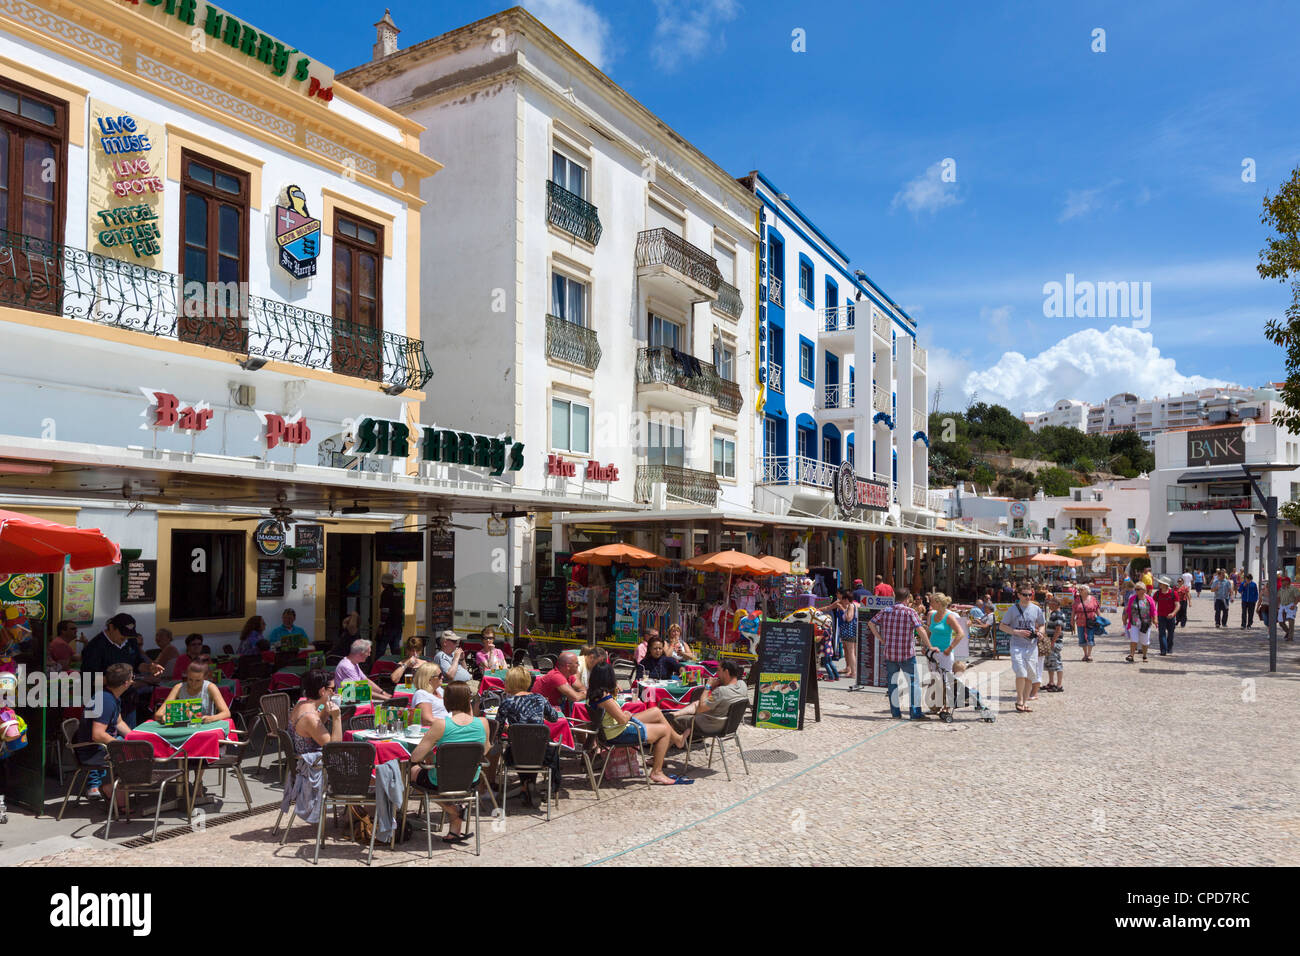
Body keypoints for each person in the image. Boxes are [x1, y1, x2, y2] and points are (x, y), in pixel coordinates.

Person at [585, 661, 689, 786]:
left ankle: (678, 740)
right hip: (617, 732)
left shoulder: (593, 694)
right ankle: (657, 771)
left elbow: (614, 715)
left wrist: (624, 713)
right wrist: (627, 714)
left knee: (656, 712)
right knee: (664, 730)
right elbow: (623, 720)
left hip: (611, 729)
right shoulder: (605, 697)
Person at [410, 682, 490, 841]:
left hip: (440, 780)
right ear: (469, 700)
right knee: (454, 776)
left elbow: (415, 757)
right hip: (470, 779)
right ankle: (454, 831)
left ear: (446, 701)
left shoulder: (441, 724)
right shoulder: (483, 723)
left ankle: (452, 809)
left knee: (410, 771)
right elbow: (485, 751)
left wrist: (433, 755)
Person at [487, 666, 563, 803]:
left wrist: (509, 730)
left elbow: (497, 730)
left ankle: (526, 785)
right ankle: (529, 785)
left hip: (517, 754)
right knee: (536, 747)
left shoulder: (507, 703)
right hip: (542, 754)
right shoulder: (540, 699)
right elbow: (554, 718)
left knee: (517, 747)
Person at [80, 613, 163, 726]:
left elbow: (138, 663)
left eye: (128, 635)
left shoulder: (130, 641)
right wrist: (119, 680)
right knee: (106, 737)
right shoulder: (94, 647)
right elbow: (89, 679)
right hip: (103, 702)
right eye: (122, 634)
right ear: (111, 628)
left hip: (128, 700)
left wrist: (149, 668)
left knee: (127, 735)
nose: (125, 638)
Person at [866, 588, 932, 720]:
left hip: (890, 653)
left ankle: (895, 713)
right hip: (906, 653)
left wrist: (880, 638)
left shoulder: (886, 610)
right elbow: (920, 629)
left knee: (892, 684)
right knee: (913, 684)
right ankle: (915, 713)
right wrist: (929, 646)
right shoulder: (910, 612)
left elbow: (871, 623)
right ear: (907, 598)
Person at [75, 662, 134, 800]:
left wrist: (134, 738)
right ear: (126, 683)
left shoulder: (110, 696)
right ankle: (111, 788)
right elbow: (98, 735)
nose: (133, 681)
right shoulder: (105, 701)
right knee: (137, 754)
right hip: (93, 751)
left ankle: (116, 789)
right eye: (132, 678)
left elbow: (119, 722)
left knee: (139, 748)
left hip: (100, 747)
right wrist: (124, 746)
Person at [669, 657, 748, 735]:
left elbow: (701, 708)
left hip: (710, 725)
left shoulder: (721, 691)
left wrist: (708, 686)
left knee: (675, 720)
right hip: (729, 725)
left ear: (726, 672)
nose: (717, 673)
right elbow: (720, 700)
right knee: (697, 703)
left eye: (718, 670)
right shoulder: (742, 684)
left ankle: (676, 740)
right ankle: (675, 714)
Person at [999, 585, 1045, 713]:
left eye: (1030, 595)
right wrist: (1016, 632)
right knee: (1020, 672)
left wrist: (1040, 632)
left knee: (1030, 675)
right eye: (1025, 594)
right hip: (1017, 645)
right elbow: (1002, 626)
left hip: (1031, 646)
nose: (1028, 597)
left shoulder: (1036, 609)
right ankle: (1019, 699)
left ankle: (1025, 702)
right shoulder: (1013, 610)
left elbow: (1042, 624)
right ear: (1018, 595)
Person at [925, 592, 967, 722]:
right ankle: (937, 705)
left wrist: (950, 648)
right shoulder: (931, 615)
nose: (930, 604)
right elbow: (928, 631)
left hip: (944, 653)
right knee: (935, 680)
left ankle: (948, 706)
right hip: (932, 653)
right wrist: (925, 645)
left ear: (938, 603)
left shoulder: (949, 617)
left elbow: (960, 633)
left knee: (946, 680)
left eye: (932, 602)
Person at [287, 668, 344, 755]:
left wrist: (327, 708)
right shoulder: (309, 717)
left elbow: (319, 714)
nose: (334, 692)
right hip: (314, 763)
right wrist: (337, 717)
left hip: (306, 757)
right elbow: (334, 749)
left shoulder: (301, 704)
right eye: (333, 688)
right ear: (322, 691)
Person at [154, 660, 232, 723]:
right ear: (186, 676)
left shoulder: (210, 687)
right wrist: (164, 717)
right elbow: (158, 714)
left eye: (198, 680)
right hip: (182, 728)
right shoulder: (179, 687)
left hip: (203, 728)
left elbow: (226, 713)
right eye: (190, 679)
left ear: (205, 678)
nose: (193, 684)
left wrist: (212, 718)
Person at [819, 590, 858, 686]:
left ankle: (854, 672)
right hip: (845, 630)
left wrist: (842, 609)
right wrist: (818, 610)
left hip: (849, 631)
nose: (837, 596)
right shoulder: (841, 603)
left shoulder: (851, 606)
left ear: (845, 598)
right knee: (848, 651)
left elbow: (849, 618)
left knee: (851, 651)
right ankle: (849, 669)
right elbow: (828, 607)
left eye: (839, 595)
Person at [1123, 582, 1156, 663]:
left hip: (1145, 623)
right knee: (1133, 639)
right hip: (1134, 622)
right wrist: (1125, 618)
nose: (1136, 591)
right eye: (1135, 589)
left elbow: (1153, 610)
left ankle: (1144, 656)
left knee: (1145, 641)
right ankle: (1131, 655)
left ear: (1144, 590)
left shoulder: (1149, 599)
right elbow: (1128, 609)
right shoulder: (1132, 598)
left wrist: (1155, 619)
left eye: (1138, 589)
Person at [1043, 593, 1067, 692]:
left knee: (1057, 663)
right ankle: (1051, 682)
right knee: (1050, 663)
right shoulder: (1054, 613)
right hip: (1051, 641)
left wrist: (1052, 641)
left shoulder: (1058, 614)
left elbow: (1058, 629)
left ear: (1056, 604)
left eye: (1050, 602)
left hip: (1055, 642)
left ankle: (1059, 685)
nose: (1048, 604)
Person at [377, 573, 404, 657]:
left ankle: (376, 667)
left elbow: (385, 611)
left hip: (388, 626)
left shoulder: (385, 593)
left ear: (385, 583)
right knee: (395, 649)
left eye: (382, 582)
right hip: (398, 626)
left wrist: (381, 626)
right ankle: (398, 666)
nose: (381, 584)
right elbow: (401, 610)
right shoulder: (399, 593)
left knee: (381, 649)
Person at [1072, 585, 1100, 662]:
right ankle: (1085, 654)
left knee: (1090, 637)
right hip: (1080, 622)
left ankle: (1089, 654)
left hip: (1091, 621)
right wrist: (1072, 621)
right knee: (1082, 638)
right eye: (1079, 589)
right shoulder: (1077, 600)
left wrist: (1100, 619)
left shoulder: (1093, 599)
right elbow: (1073, 611)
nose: (1080, 591)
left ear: (1087, 590)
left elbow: (1097, 609)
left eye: (1081, 589)